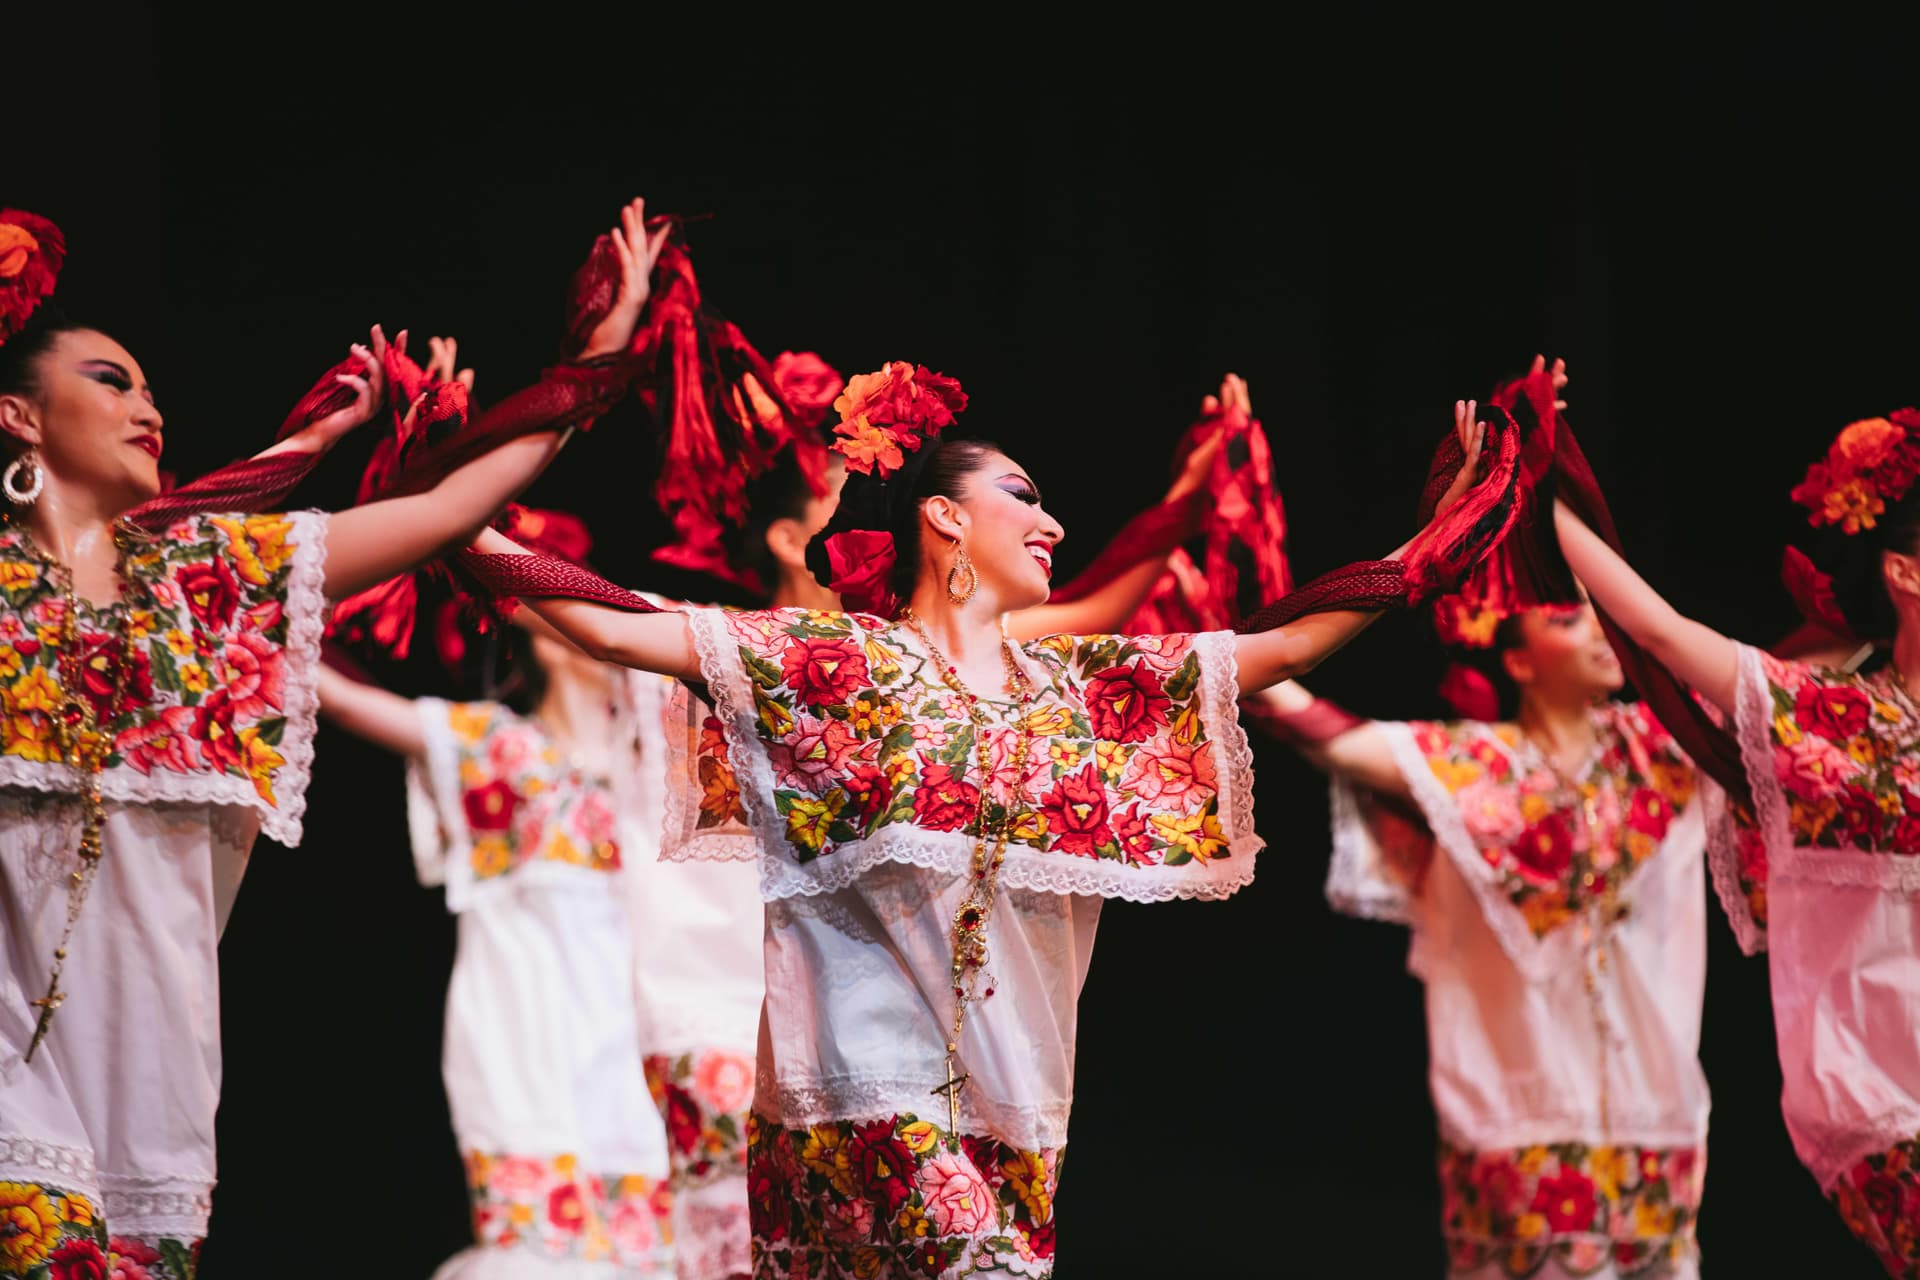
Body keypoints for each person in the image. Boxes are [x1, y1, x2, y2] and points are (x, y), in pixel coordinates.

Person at [460, 358, 1505, 1277]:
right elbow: (607, 622)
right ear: (943, 514)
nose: (1051, 521)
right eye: (1023, 494)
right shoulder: (837, 665)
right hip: (860, 1111)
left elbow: (1278, 649)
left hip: (1012, 1125)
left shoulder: (1075, 687)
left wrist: (1430, 545)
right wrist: (451, 495)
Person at [0, 198, 663, 1277]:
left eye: (151, 384)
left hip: (144, 1081)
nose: (147, 402)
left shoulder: (208, 588)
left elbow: (449, 508)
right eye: (109, 379)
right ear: (19, 418)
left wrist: (595, 361)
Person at [1550, 403, 1920, 1275]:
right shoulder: (1833, 720)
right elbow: (1661, 632)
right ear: (1906, 571)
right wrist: (1534, 491)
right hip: (1887, 1103)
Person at [317, 505, 678, 1280]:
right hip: (534, 1048)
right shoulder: (500, 750)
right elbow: (345, 701)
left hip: (643, 1059)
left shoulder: (662, 779)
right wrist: (253, 602)